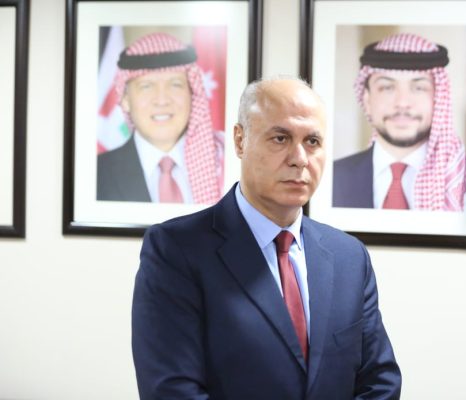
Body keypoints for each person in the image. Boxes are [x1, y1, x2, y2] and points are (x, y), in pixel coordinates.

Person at [132, 76, 402, 399]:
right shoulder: (176, 250)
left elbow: (380, 381)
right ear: (240, 140)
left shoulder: (350, 257)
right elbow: (171, 391)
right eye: (280, 138)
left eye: (312, 141)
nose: (299, 158)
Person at [333, 33, 466, 211]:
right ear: (367, 100)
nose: (402, 102)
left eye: (419, 88)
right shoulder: (331, 178)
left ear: (438, 98)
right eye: (387, 87)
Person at [97, 32, 223, 204]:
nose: (162, 100)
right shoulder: (96, 175)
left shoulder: (224, 163)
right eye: (146, 86)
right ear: (125, 100)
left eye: (175, 84)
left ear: (192, 93)